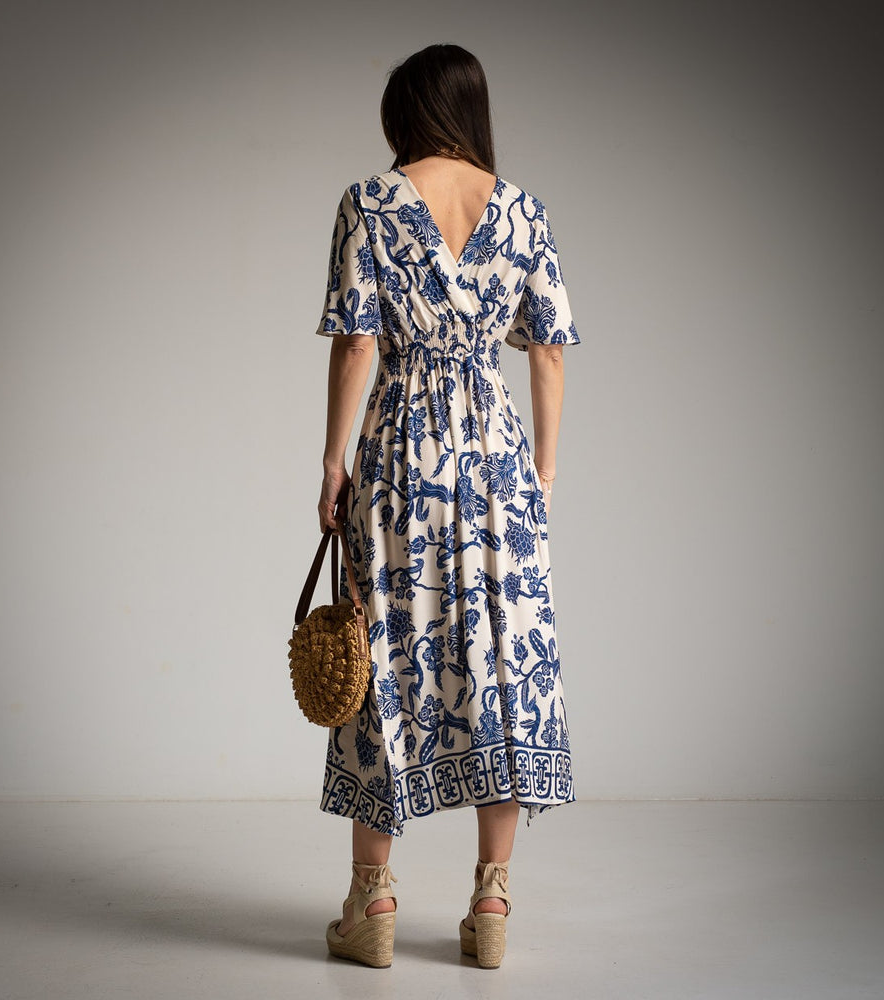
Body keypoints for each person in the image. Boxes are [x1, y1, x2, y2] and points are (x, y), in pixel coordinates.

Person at [312, 42, 581, 969]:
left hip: (398, 457)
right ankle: (492, 904)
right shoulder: (522, 209)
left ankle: (372, 900)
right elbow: (547, 350)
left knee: (382, 650)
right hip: (497, 461)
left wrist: (331, 462)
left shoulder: (370, 203)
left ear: (409, 114)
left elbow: (354, 344)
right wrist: (542, 471)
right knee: (503, 659)